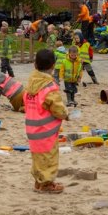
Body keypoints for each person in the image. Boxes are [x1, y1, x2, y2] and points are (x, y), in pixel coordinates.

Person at [24, 48, 69, 194]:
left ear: (35, 65)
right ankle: (47, 184)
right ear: (53, 66)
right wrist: (65, 114)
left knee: (38, 156)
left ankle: (38, 182)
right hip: (45, 130)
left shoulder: (31, 83)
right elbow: (57, 108)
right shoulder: (49, 87)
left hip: (31, 129)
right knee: (49, 158)